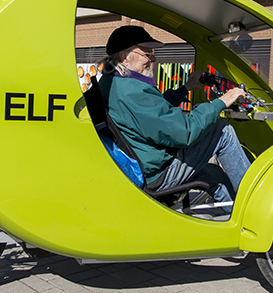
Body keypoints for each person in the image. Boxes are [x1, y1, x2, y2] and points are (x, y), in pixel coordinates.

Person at [99, 25, 251, 209]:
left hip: (144, 163)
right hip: (157, 174)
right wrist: (222, 101)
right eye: (147, 53)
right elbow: (185, 131)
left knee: (213, 174)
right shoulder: (133, 91)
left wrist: (185, 89)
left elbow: (154, 111)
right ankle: (257, 205)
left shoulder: (112, 83)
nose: (153, 58)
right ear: (125, 57)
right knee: (222, 130)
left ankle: (237, 220)